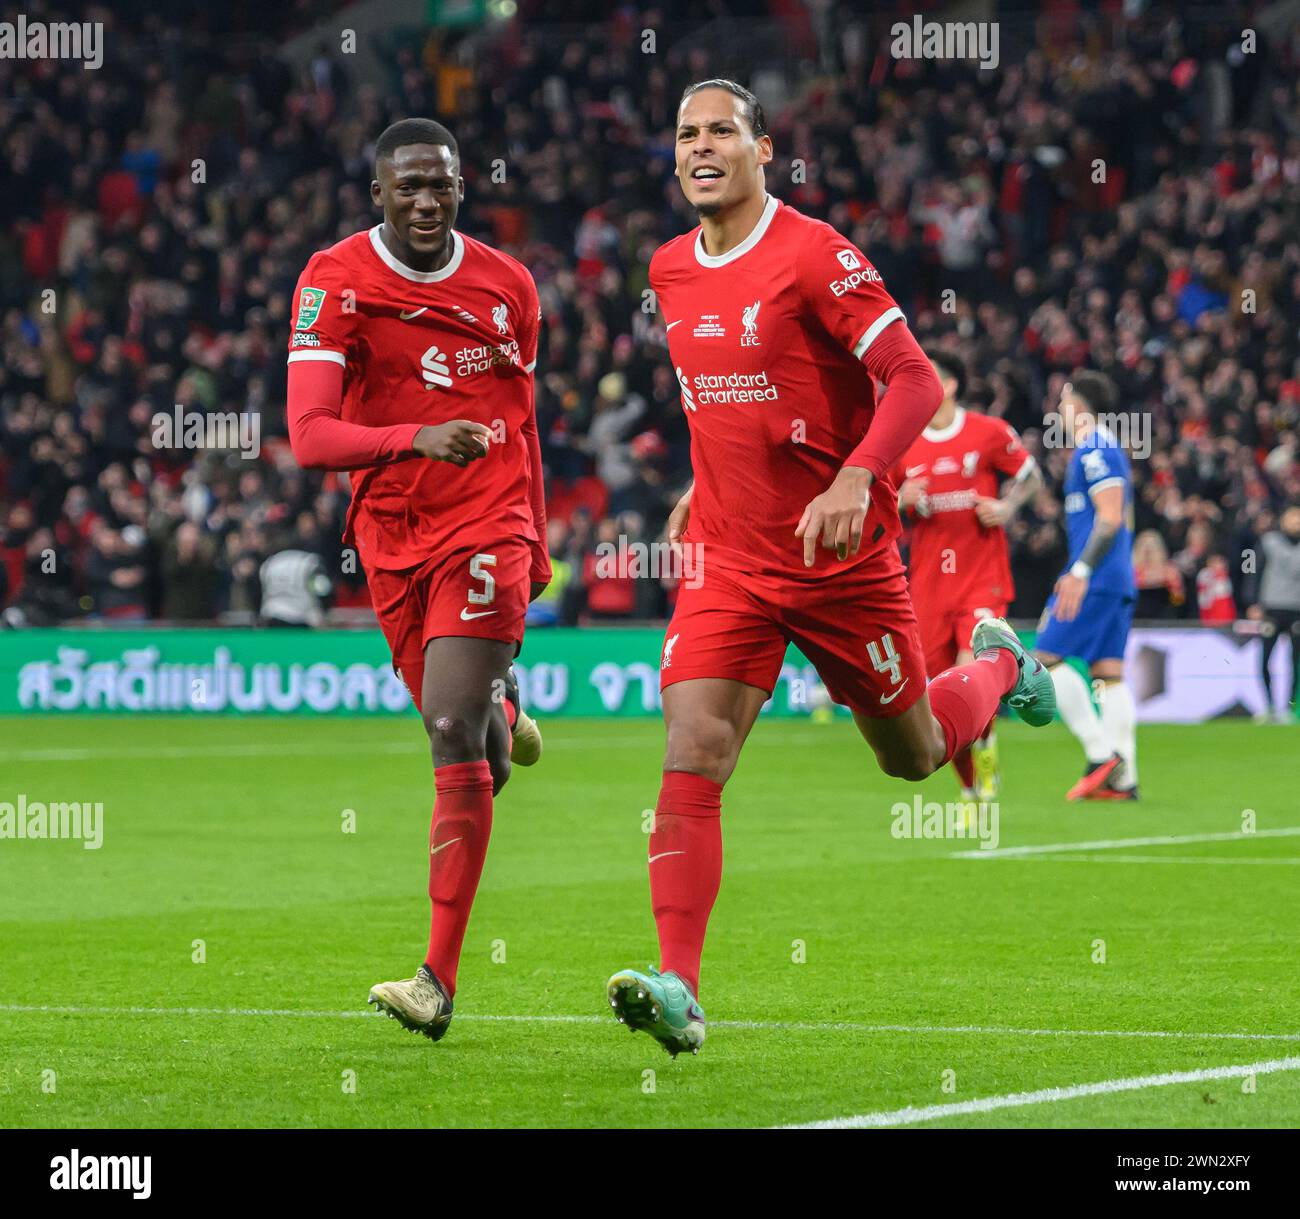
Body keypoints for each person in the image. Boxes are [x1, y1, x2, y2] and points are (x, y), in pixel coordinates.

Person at [604, 81, 1055, 1057]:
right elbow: (717, 396)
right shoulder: (669, 268)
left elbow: (912, 378)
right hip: (728, 557)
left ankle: (1003, 666)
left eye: (721, 130)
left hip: (839, 561)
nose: (701, 147)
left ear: (764, 147)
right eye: (685, 133)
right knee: (692, 750)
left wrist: (856, 477)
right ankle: (679, 984)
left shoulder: (813, 254)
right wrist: (695, 479)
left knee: (913, 754)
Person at [286, 118, 550, 1042]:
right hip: (393, 536)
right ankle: (503, 712)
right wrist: (414, 437)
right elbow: (311, 435)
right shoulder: (333, 281)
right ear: (378, 195)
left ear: (461, 186)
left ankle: (435, 980)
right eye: (409, 189)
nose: (428, 202)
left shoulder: (509, 286)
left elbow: (522, 423)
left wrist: (534, 548)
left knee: (445, 726)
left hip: (488, 523)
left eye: (441, 185)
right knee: (476, 749)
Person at [896, 350, 1042, 804]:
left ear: (951, 384)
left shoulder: (987, 432)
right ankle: (970, 787)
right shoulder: (902, 441)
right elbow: (876, 500)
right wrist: (901, 499)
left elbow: (1031, 476)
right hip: (927, 586)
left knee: (969, 669)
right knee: (938, 691)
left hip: (982, 576)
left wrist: (1008, 507)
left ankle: (987, 751)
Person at [1032, 372, 1139, 801]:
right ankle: (1124, 781)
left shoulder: (1095, 447)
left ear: (1079, 402)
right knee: (1107, 674)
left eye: (1064, 398)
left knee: (1043, 659)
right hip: (1114, 577)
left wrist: (1079, 571)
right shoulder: (1099, 448)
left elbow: (1110, 516)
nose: (1059, 407)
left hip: (1095, 578)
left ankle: (1100, 755)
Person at [1252, 504, 1300, 723]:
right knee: (1265, 659)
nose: (1296, 522)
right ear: (1283, 520)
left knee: (1296, 662)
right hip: (1271, 608)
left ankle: (1291, 707)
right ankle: (1269, 706)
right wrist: (1251, 601)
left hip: (1297, 609)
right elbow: (1251, 569)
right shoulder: (1266, 542)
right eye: (1293, 517)